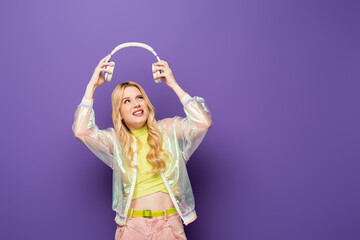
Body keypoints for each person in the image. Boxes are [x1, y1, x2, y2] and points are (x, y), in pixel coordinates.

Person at [72, 54, 212, 240]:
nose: (136, 103)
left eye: (139, 97)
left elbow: (203, 123)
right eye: (126, 101)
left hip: (169, 226)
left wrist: (173, 84)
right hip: (132, 228)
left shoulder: (168, 129)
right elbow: (81, 132)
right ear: (119, 113)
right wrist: (91, 87)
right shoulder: (116, 140)